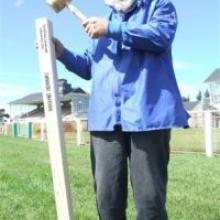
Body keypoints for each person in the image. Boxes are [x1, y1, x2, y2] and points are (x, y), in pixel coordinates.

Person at [54, 0, 189, 219]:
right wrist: (62, 53)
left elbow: (160, 35)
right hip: (105, 119)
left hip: (147, 116)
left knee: (150, 203)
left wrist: (110, 30)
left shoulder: (159, 6)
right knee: (107, 201)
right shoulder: (104, 22)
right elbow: (89, 66)